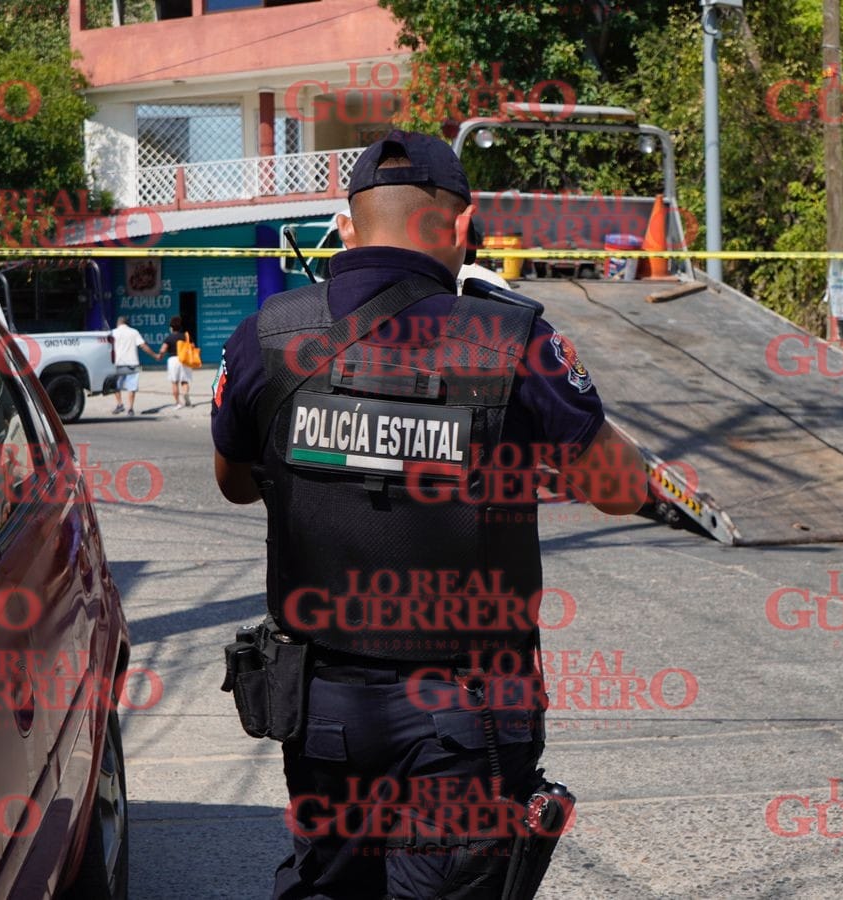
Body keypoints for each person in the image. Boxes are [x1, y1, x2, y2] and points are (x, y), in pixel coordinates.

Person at [209, 129, 648, 900]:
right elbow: (622, 488)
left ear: (345, 227)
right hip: (469, 709)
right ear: (462, 223)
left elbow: (236, 484)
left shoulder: (268, 335)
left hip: (322, 704)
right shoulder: (515, 340)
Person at [109, 314, 155, 416]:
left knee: (115, 385)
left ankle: (120, 404)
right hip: (134, 363)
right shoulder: (134, 332)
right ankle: (130, 409)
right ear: (127, 323)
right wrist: (154, 355)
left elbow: (107, 348)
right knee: (132, 387)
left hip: (117, 363)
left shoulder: (112, 333)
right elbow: (143, 346)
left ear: (118, 323)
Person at [158, 315, 194, 409]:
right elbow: (193, 346)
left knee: (174, 382)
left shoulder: (169, 338)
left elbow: (163, 349)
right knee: (185, 381)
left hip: (173, 360)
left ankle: (178, 403)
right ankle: (185, 393)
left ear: (171, 327)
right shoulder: (186, 336)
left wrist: (160, 356)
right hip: (184, 359)